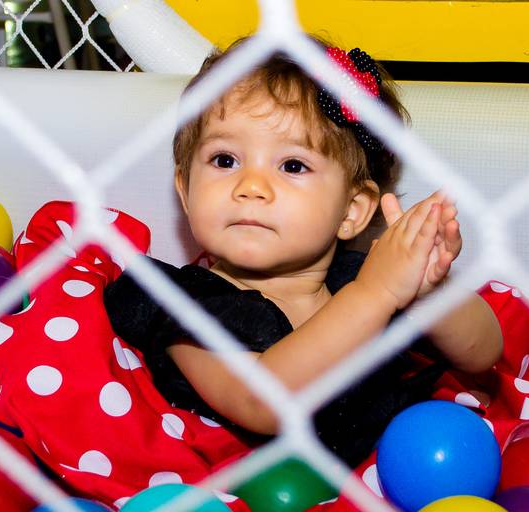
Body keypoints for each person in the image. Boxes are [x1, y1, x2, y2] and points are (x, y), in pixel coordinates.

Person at [103, 36, 503, 468]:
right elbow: (261, 402)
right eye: (224, 160)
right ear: (185, 190)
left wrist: (428, 290)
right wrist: (376, 294)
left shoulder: (362, 276)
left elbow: (484, 353)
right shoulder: (185, 304)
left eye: (292, 166)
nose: (251, 186)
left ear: (351, 211)